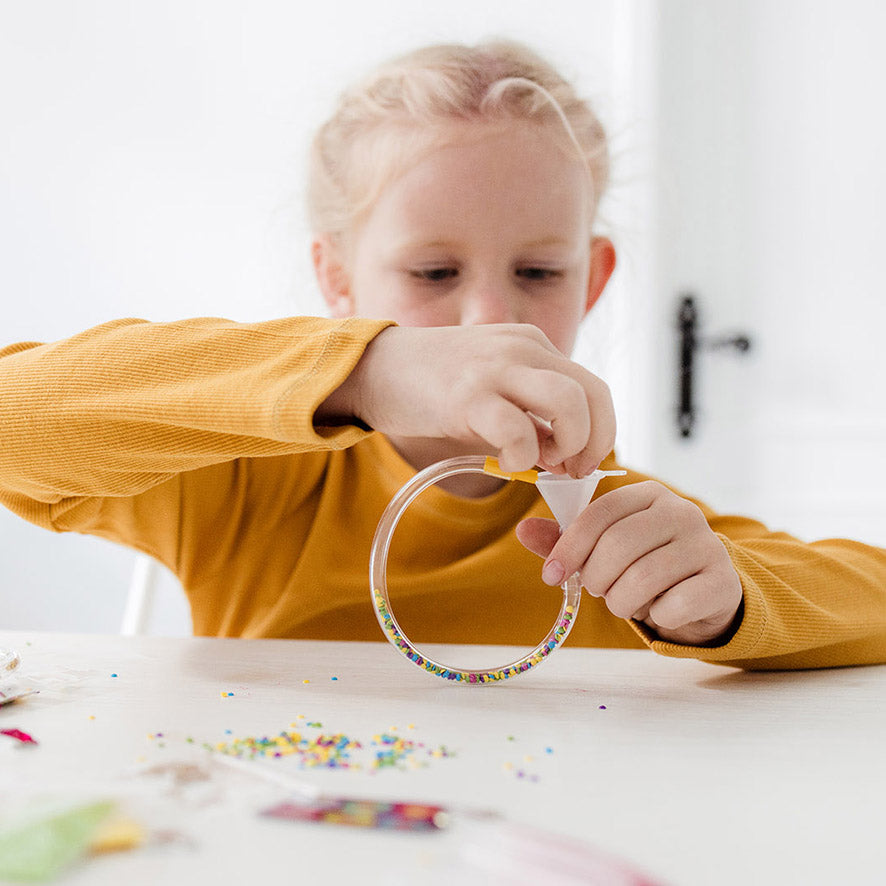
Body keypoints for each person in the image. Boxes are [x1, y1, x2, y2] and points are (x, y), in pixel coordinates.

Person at [0, 41, 883, 669]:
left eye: (539, 270)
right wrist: (367, 372)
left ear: (594, 280)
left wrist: (728, 603)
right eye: (433, 271)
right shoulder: (246, 485)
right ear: (337, 279)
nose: (487, 316)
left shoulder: (621, 528)